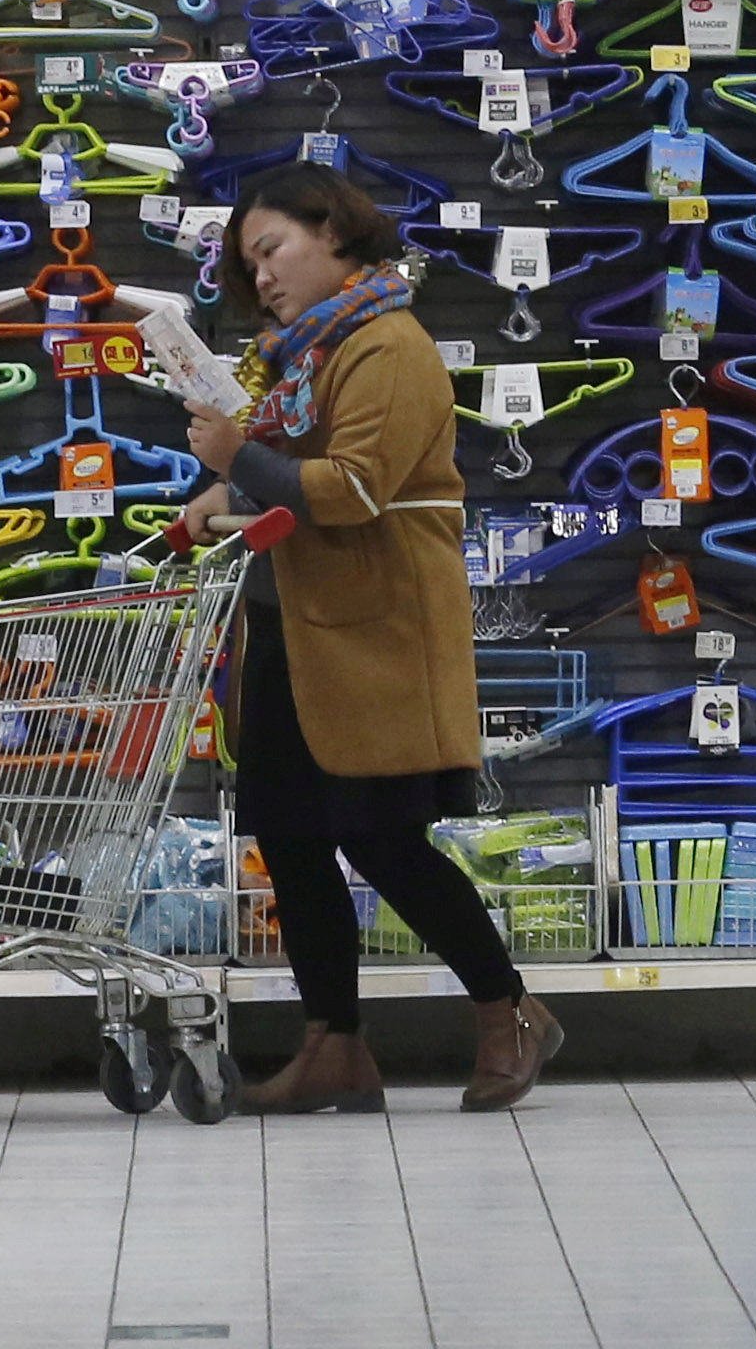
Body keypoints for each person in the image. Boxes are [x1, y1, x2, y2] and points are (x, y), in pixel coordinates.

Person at [178, 162, 561, 1115]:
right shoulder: (304, 356)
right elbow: (293, 472)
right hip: (291, 624)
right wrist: (226, 493)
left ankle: (511, 1011)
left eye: (273, 251)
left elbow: (349, 489)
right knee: (293, 839)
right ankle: (334, 1045)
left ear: (337, 233)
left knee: (384, 838)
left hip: (376, 633)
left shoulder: (388, 346)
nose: (260, 277)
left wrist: (238, 456)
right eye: (247, 264)